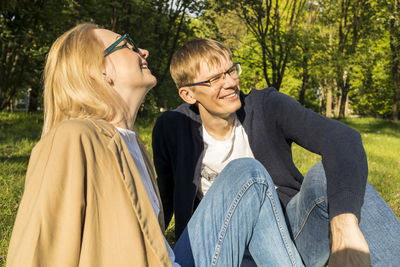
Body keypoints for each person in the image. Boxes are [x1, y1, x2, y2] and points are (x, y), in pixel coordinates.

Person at [7, 23, 306, 267]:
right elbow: (37, 247)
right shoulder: (74, 137)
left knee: (248, 174)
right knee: (250, 175)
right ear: (98, 72)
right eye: (127, 44)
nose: (143, 51)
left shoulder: (131, 143)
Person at [152, 38, 400, 267]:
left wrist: (344, 222)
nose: (229, 83)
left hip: (289, 235)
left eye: (230, 71)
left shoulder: (266, 105)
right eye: (214, 79)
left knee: (332, 174)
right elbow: (163, 196)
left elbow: (342, 139)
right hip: (224, 245)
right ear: (188, 94)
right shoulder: (172, 127)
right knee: (249, 173)